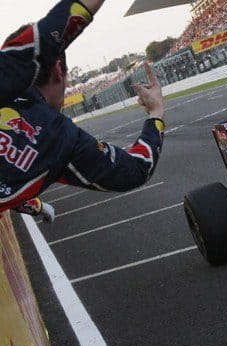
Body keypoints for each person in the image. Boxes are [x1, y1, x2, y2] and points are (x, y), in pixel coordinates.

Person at [0, 0, 166, 220]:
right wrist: (156, 113)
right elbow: (136, 169)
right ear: (59, 70)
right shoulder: (60, 140)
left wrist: (33, 205)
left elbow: (55, 27)